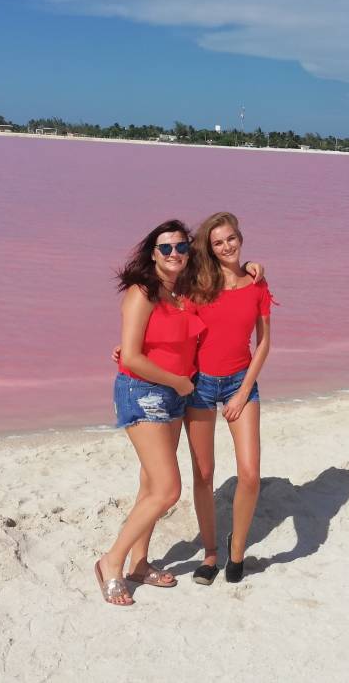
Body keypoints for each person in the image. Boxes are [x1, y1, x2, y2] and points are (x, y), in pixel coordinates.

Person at [95, 219, 202, 607]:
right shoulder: (143, 293)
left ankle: (140, 564)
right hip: (144, 392)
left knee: (149, 485)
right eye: (165, 248)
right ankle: (112, 561)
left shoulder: (185, 293)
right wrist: (177, 381)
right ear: (152, 254)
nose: (174, 254)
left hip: (174, 393)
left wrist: (256, 268)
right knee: (168, 490)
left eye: (181, 247)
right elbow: (134, 357)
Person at [184, 211, 272, 585]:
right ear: (211, 247)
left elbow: (264, 343)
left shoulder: (257, 283)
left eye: (231, 238)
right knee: (204, 475)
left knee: (250, 475)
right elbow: (168, 322)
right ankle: (210, 553)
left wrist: (240, 393)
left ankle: (236, 553)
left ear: (240, 237)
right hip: (200, 384)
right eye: (218, 242)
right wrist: (129, 348)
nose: (226, 246)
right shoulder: (199, 284)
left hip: (242, 381)